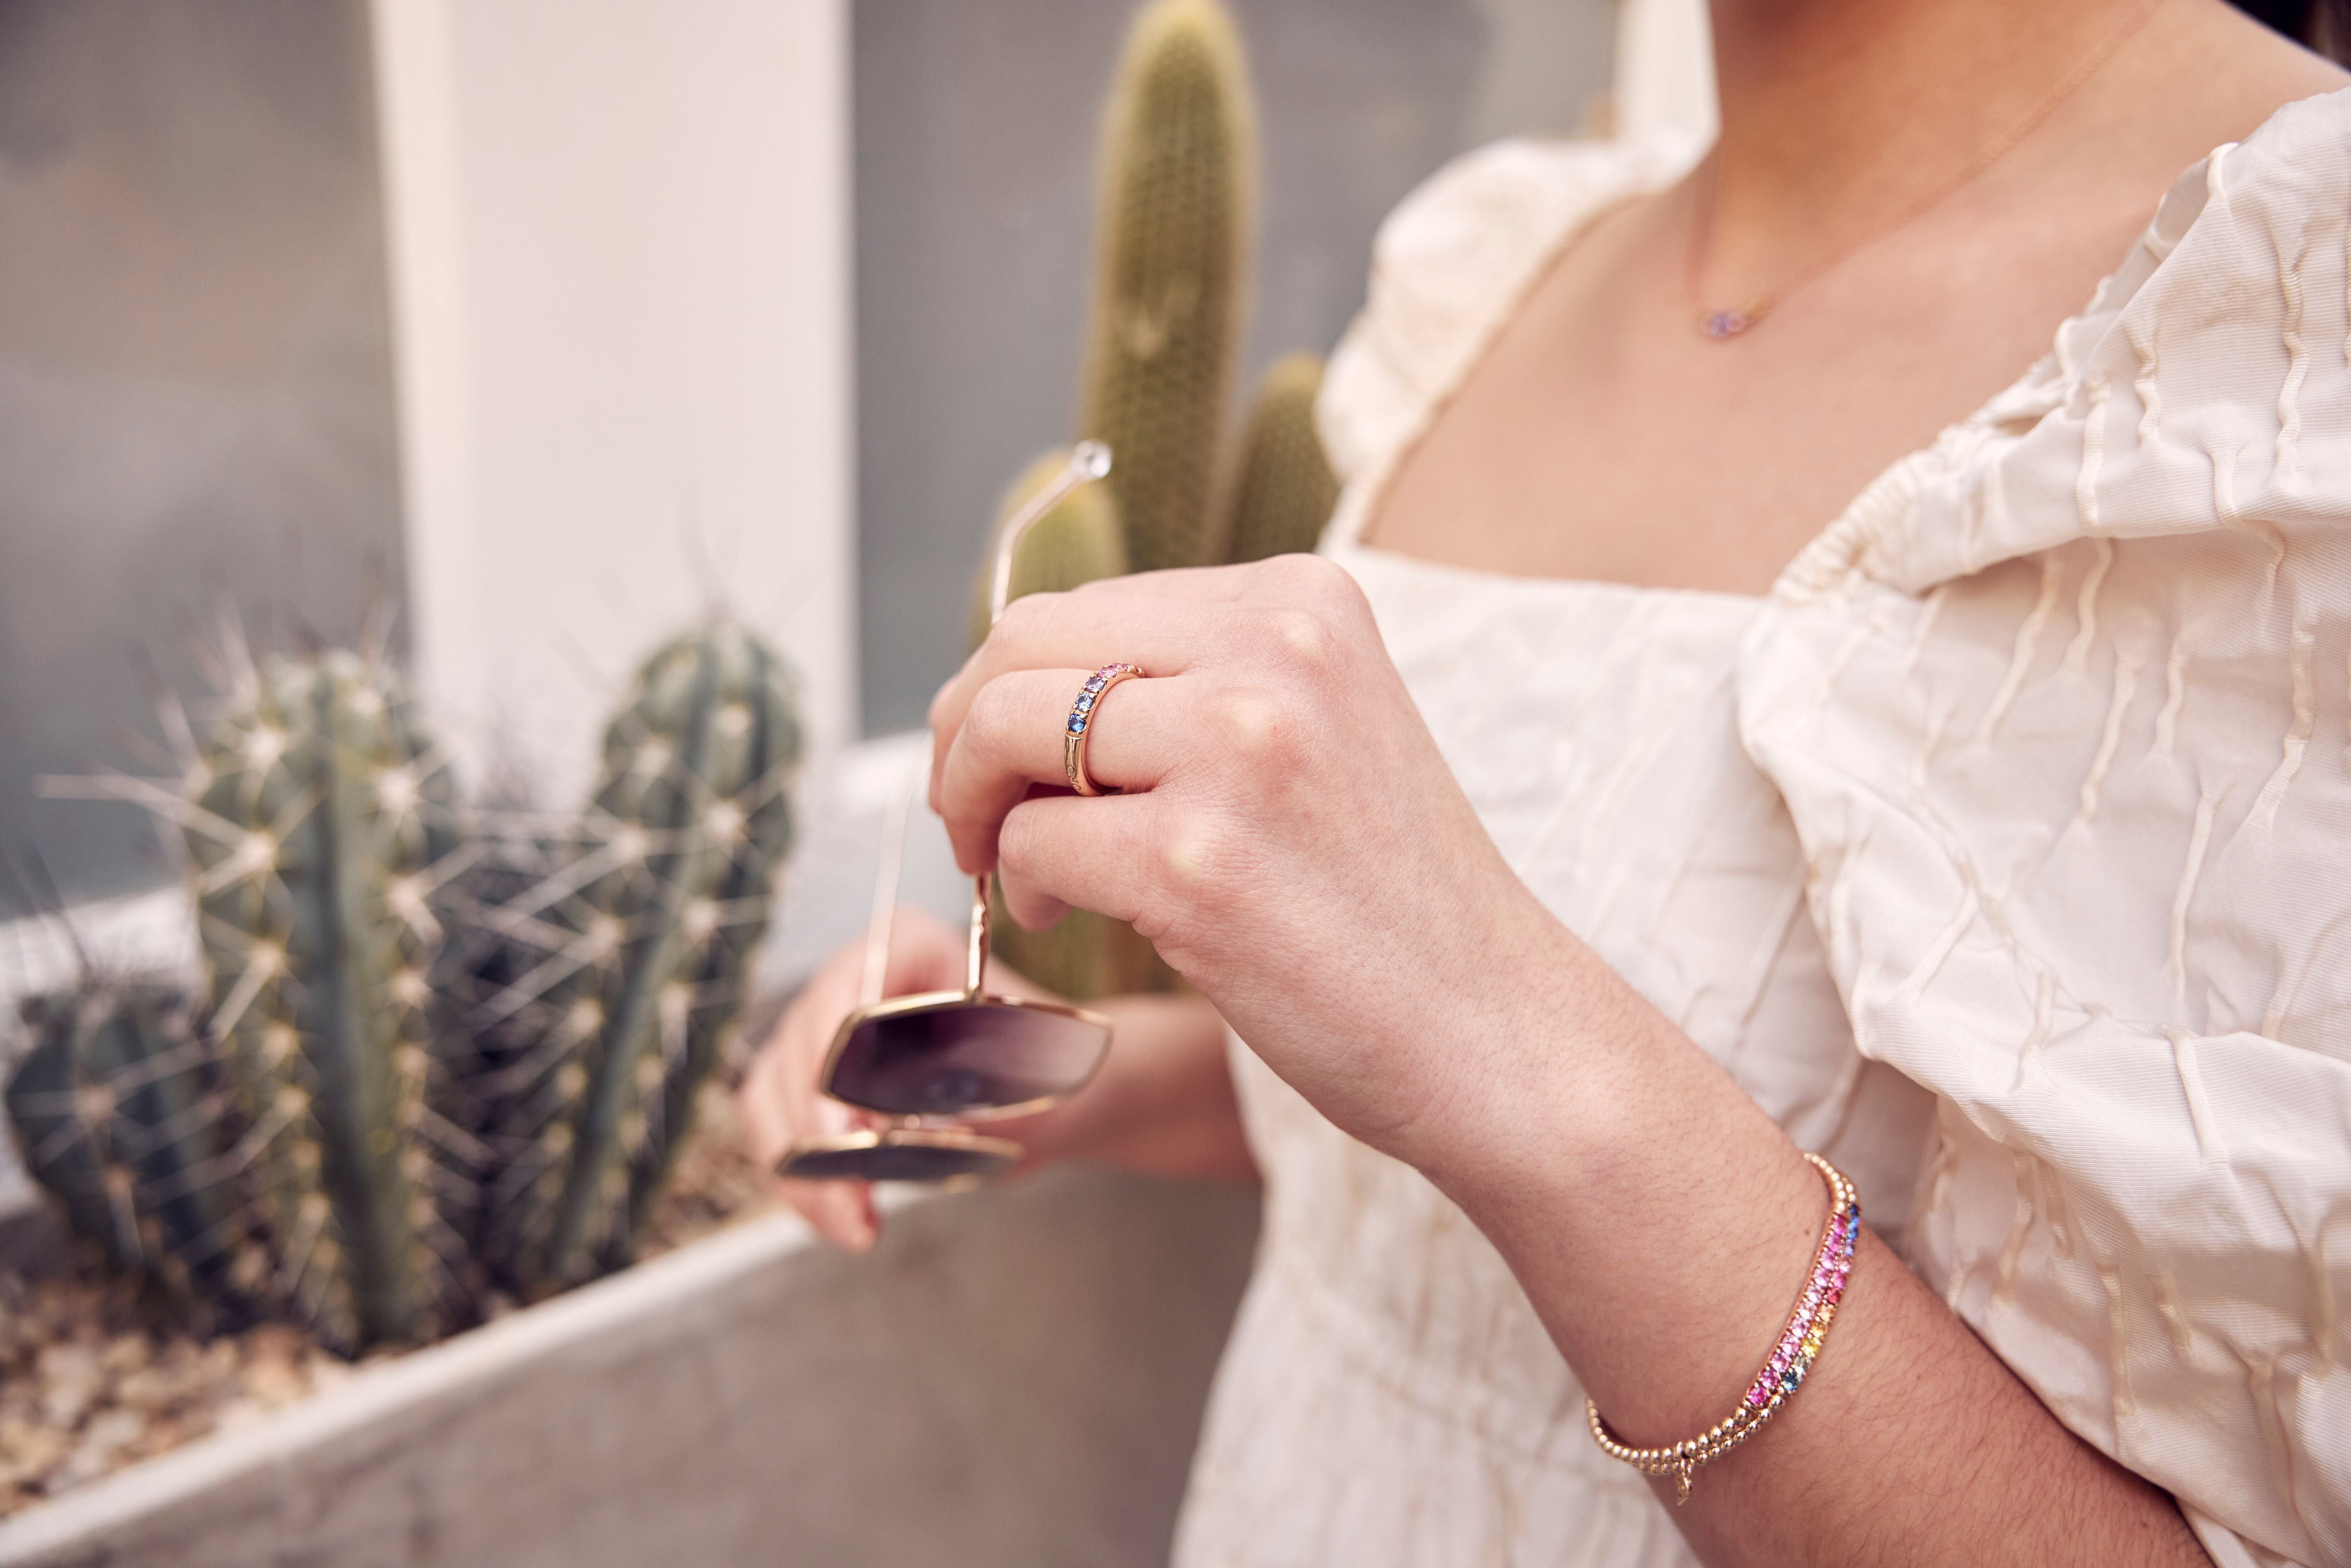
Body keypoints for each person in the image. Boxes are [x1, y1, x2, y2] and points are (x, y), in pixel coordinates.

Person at [743, 0, 2351, 1561]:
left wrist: (1504, 1025)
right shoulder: (1494, 271)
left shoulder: (2290, 322)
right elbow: (1394, 1122)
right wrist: (1042, 1073)